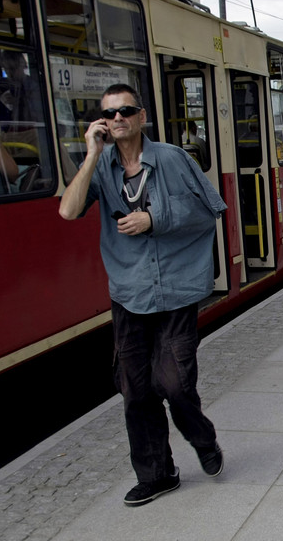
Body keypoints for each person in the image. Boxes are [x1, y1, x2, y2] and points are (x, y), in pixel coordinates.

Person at [57, 83, 226, 507]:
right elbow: (68, 210)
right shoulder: (101, 166)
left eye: (126, 111)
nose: (117, 119)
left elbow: (211, 210)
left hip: (175, 289)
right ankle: (157, 475)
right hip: (129, 291)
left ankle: (202, 438)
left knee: (173, 381)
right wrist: (92, 154)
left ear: (141, 116)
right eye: (109, 114)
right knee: (135, 389)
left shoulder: (171, 158)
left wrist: (155, 219)